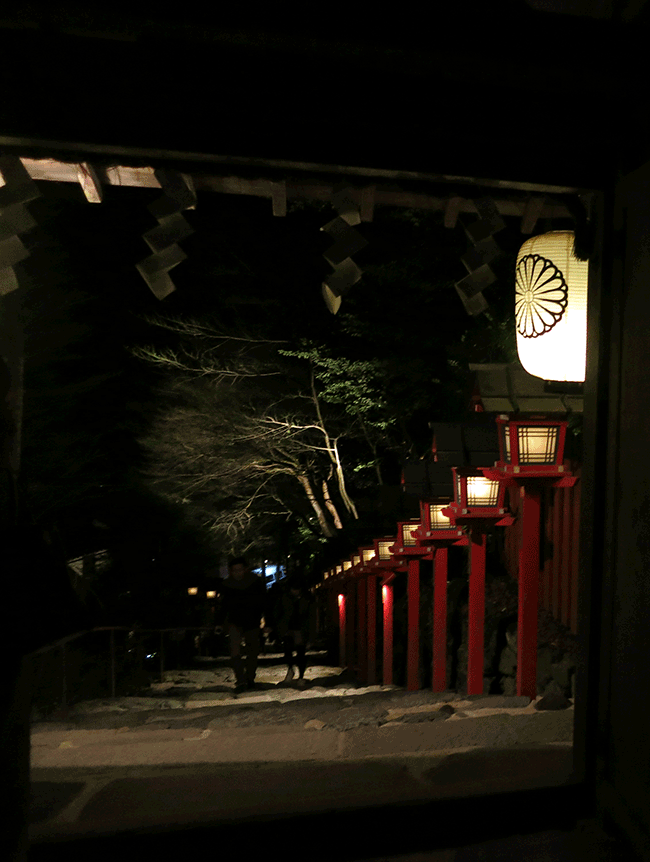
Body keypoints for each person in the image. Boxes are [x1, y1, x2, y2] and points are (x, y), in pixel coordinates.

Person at [218, 557, 269, 692]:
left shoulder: (255, 582)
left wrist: (267, 620)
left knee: (252, 651)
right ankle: (241, 680)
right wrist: (219, 622)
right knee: (235, 651)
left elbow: (264, 602)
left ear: (245, 569)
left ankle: (249, 678)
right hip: (235, 621)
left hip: (252, 620)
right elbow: (223, 605)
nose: (238, 573)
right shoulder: (227, 585)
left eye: (240, 570)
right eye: (235, 570)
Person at [273, 576, 313, 689]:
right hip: (288, 628)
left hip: (301, 628)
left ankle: (300, 676)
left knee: (300, 653)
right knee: (288, 651)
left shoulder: (306, 598)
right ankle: (291, 669)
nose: (295, 591)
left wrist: (311, 636)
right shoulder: (284, 598)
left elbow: (311, 617)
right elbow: (278, 612)